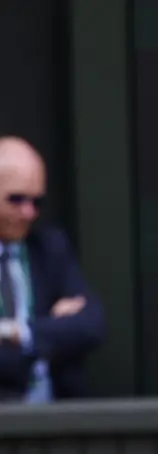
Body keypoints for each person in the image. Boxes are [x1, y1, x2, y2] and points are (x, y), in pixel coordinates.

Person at [0, 136, 106, 402]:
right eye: (16, 200)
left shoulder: (48, 248)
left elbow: (90, 324)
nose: (29, 213)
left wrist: (18, 333)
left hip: (53, 422)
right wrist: (52, 333)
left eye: (37, 202)